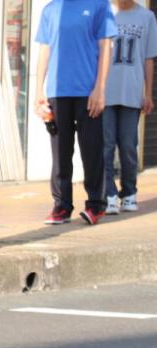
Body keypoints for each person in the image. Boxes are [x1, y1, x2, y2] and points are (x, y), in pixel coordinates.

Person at [34, 0, 118, 225]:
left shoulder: (100, 5)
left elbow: (106, 47)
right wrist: (38, 91)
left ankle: (96, 205)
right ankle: (62, 206)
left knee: (92, 151)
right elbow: (44, 50)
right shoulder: (51, 9)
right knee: (60, 153)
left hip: (87, 92)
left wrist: (100, 89)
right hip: (57, 92)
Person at [103, 0, 157, 213]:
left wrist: (148, 93)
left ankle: (129, 192)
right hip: (104, 93)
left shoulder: (147, 17)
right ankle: (108, 194)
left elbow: (149, 59)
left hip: (131, 92)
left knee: (128, 146)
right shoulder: (103, 12)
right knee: (105, 146)